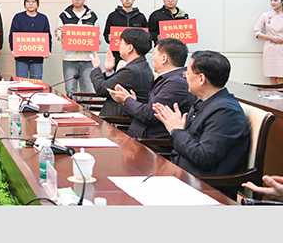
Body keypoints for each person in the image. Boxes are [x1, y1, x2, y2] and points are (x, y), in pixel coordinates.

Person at [153, 50, 251, 200]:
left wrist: (176, 130)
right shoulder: (203, 102)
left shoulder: (225, 112)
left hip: (203, 187)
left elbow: (203, 157)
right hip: (182, 176)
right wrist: (180, 129)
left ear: (201, 79)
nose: (185, 77)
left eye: (187, 74)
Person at [107, 38, 195, 139]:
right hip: (137, 136)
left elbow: (149, 115)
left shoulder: (176, 84)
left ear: (164, 59)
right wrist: (132, 101)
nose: (152, 58)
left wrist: (127, 99)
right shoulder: (169, 79)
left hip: (147, 142)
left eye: (154, 54)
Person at [90, 28, 154, 117]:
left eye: (121, 43)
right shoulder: (140, 66)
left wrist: (96, 68)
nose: (119, 46)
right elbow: (111, 86)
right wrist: (109, 71)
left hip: (117, 121)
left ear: (130, 48)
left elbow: (101, 89)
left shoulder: (131, 71)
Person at [55, 0, 99, 97]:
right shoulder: (64, 15)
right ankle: (72, 108)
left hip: (87, 58)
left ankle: (87, 109)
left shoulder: (92, 16)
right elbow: (57, 31)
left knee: (88, 88)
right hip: (69, 58)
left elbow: (96, 33)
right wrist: (61, 35)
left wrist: (96, 41)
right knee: (70, 89)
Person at [8, 0, 51, 80]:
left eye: (33, 1)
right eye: (28, 1)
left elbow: (47, 36)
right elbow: (12, 35)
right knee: (21, 82)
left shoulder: (43, 18)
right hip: (21, 58)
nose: (30, 4)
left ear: (38, 3)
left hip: (37, 58)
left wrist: (48, 50)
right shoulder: (18, 17)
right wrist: (13, 49)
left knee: (36, 82)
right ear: (24, 3)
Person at [103, 0, 148, 68]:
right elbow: (106, 33)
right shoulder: (113, 16)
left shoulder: (140, 17)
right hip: (117, 55)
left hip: (136, 55)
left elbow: (146, 35)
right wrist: (108, 37)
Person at [253, 0, 283, 85]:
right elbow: (256, 32)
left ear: (282, 1)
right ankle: (273, 95)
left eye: (275, 0)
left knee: (281, 79)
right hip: (270, 50)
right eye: (271, 0)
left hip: (281, 49)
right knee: (272, 79)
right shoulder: (266, 15)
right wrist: (272, 38)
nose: (272, 3)